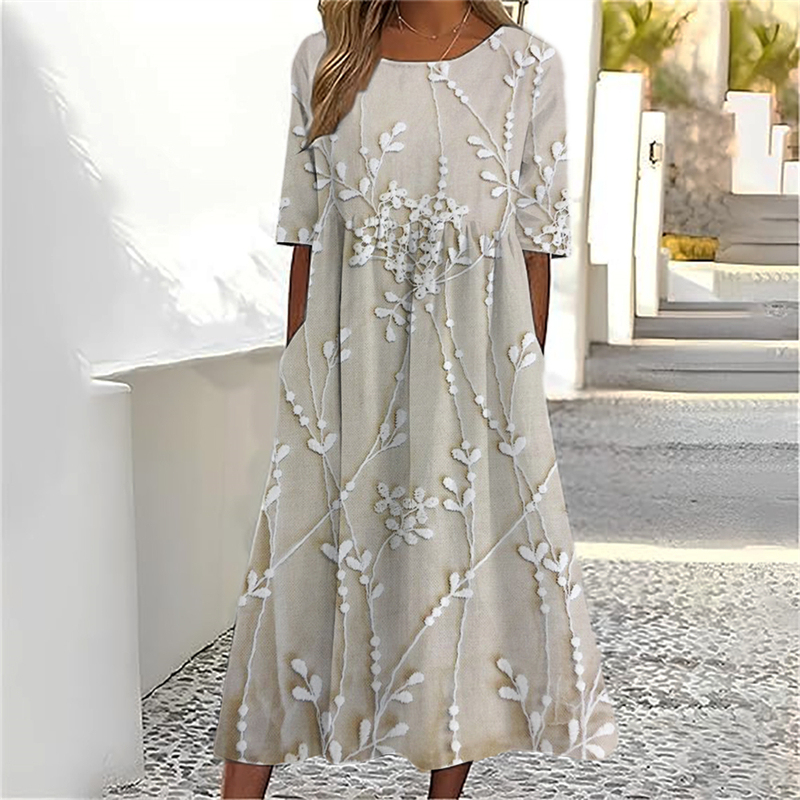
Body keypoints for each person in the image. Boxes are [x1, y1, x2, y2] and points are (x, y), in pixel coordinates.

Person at [213, 1, 618, 797]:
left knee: (449, 582)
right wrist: (299, 381)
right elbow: (306, 236)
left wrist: (515, 400)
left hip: (467, 382)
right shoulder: (325, 58)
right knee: (292, 585)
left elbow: (535, 248)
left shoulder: (528, 66)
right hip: (343, 374)